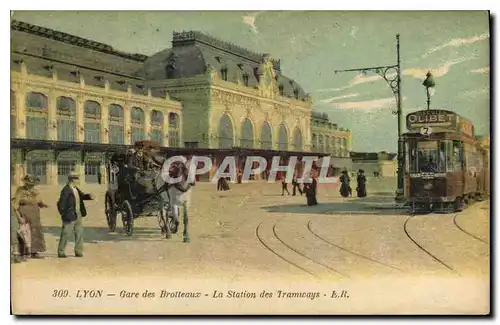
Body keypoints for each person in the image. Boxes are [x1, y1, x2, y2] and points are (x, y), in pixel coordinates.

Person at [57, 172, 94, 258]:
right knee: (66, 233)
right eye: (77, 179)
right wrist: (64, 214)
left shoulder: (76, 188)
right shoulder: (66, 190)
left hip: (78, 214)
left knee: (79, 233)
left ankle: (78, 251)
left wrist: (89, 196)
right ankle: (61, 251)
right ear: (72, 180)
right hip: (69, 215)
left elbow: (81, 196)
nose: (78, 180)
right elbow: (61, 204)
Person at [13, 175, 48, 259]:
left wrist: (43, 204)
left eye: (32, 185)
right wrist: (19, 218)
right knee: (24, 234)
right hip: (25, 216)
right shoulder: (20, 191)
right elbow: (15, 206)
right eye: (29, 184)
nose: (31, 186)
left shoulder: (35, 191)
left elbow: (39, 201)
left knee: (36, 233)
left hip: (35, 216)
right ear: (26, 183)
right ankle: (23, 253)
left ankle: (34, 252)